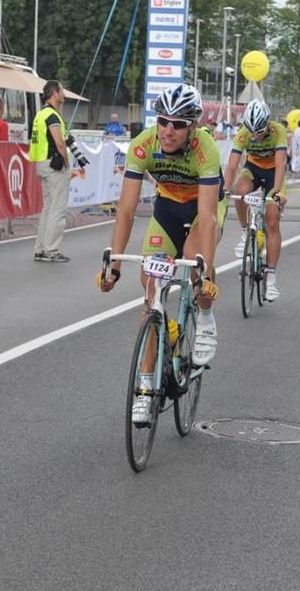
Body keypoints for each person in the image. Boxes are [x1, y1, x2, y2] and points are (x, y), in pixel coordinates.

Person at [97, 84, 223, 424]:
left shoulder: (205, 149)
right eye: (163, 120)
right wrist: (114, 264)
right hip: (167, 208)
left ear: (192, 126)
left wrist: (206, 273)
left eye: (178, 124)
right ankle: (144, 387)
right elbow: (126, 209)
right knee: (151, 292)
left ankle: (205, 317)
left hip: (202, 208)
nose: (168, 130)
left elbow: (209, 216)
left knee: (194, 260)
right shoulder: (143, 145)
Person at [224, 99, 288, 301]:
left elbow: (280, 165)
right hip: (253, 169)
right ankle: (245, 231)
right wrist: (225, 189)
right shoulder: (244, 134)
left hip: (273, 173)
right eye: (252, 131)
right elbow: (232, 166)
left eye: (259, 132)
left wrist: (276, 191)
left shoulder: (278, 131)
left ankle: (271, 278)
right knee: (239, 191)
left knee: (272, 219)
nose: (255, 136)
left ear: (267, 124)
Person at [28, 80, 81, 262]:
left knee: (48, 209)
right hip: (54, 165)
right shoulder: (52, 115)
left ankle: (41, 248)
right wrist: (67, 163)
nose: (64, 94)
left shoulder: (41, 113)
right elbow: (59, 142)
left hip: (42, 163)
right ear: (55, 93)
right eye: (62, 91)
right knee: (57, 209)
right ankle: (51, 250)